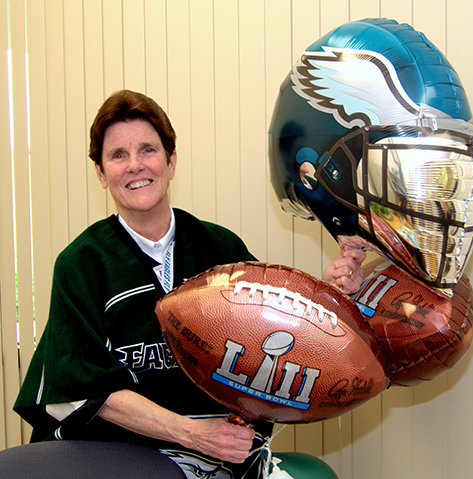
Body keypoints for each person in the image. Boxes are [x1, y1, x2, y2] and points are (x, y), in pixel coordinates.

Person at [14, 90, 365, 479]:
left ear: (171, 161)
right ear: (100, 173)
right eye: (117, 155)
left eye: (147, 150)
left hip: (220, 458)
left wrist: (330, 297)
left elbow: (275, 338)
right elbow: (80, 392)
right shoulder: (81, 265)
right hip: (120, 456)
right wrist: (191, 434)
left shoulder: (220, 248)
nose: (135, 166)